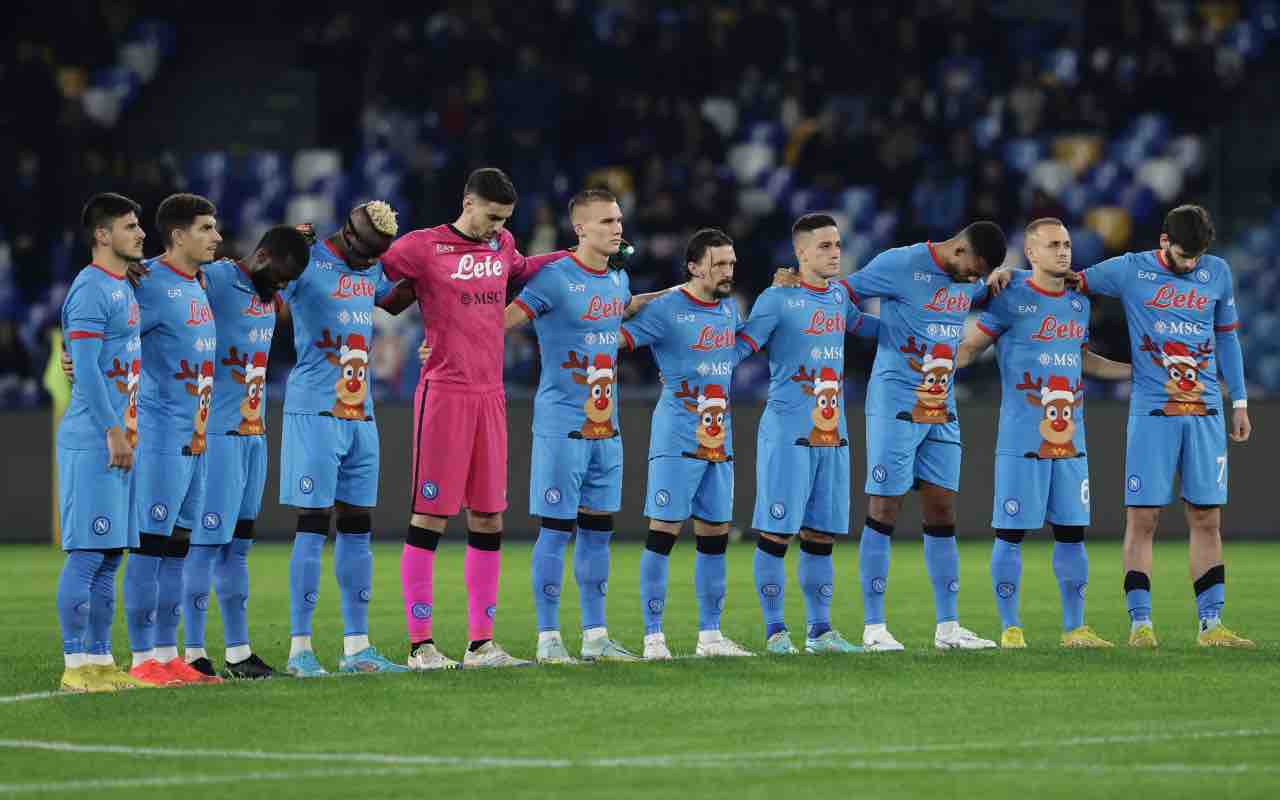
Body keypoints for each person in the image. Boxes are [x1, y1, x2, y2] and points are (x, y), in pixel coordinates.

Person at [380, 168, 568, 670]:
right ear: (468, 202)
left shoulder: (503, 245)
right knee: (431, 515)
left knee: (488, 516)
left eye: (504, 220)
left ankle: (480, 643)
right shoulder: (422, 247)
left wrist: (576, 256)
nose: (496, 228)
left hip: (491, 396)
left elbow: (525, 267)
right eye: (491, 217)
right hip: (444, 394)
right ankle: (420, 645)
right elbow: (374, 279)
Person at [1072, 205, 1253, 647]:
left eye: (1197, 256)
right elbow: (1071, 280)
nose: (1191, 264)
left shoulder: (1218, 272)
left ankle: (1211, 626)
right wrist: (1012, 278)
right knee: (1144, 517)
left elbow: (1227, 336)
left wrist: (1241, 402)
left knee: (1207, 517)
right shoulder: (1129, 270)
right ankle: (1141, 624)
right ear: (1163, 241)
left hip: (1206, 412)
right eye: (1183, 255)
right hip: (1153, 412)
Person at [505, 188, 667, 664]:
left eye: (618, 219)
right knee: (556, 531)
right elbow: (501, 322)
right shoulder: (554, 280)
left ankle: (596, 636)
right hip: (561, 427)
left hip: (607, 429)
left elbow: (626, 308)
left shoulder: (617, 281)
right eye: (606, 222)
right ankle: (548, 638)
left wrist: (675, 294)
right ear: (580, 229)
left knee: (598, 533)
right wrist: (448, 346)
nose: (618, 228)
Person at [956, 218, 1130, 648]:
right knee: (1011, 534)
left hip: (1072, 442)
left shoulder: (1077, 302)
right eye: (1053, 245)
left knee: (1072, 532)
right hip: (1021, 441)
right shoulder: (1008, 296)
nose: (1064, 251)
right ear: (1031, 253)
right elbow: (969, 347)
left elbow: (1085, 360)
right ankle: (1011, 627)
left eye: (1067, 244)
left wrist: (1138, 371)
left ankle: (1076, 628)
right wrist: (929, 366)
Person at [849, 220, 1008, 651]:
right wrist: (878, 331)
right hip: (895, 402)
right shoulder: (899, 263)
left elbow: (979, 291)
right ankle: (874, 627)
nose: (973, 281)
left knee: (941, 508)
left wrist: (998, 279)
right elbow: (843, 295)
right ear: (959, 250)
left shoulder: (968, 278)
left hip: (942, 405)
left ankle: (948, 628)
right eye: (973, 270)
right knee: (885, 505)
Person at [281, 201, 417, 676]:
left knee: (358, 524)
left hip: (361, 413)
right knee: (313, 522)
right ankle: (300, 649)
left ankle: (357, 648)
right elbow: (265, 293)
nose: (369, 264)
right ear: (349, 235)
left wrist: (431, 274)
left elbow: (392, 299)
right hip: (315, 409)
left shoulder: (372, 266)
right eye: (366, 254)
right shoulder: (306, 257)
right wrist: (280, 245)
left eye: (378, 256)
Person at [735, 213, 879, 655]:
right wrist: (694, 368)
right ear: (801, 253)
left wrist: (924, 333)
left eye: (837, 244)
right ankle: (777, 632)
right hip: (787, 430)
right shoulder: (777, 299)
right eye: (824, 246)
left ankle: (821, 632)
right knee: (778, 533)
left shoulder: (836, 297)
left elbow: (863, 327)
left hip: (832, 432)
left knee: (821, 535)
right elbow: (741, 347)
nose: (835, 252)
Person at [180, 225, 311, 678]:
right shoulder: (216, 279)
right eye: (279, 276)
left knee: (237, 549)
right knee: (205, 545)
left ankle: (239, 653)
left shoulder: (267, 293)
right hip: (217, 436)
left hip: (254, 435)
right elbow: (170, 281)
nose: (282, 288)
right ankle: (193, 653)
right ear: (261, 255)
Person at [620, 228, 755, 660]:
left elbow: (728, 359)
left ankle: (710, 637)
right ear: (694, 267)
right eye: (719, 263)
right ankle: (653, 637)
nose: (728, 270)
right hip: (677, 438)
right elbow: (619, 339)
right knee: (663, 534)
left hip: (719, 441)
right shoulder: (666, 310)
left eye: (731, 263)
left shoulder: (730, 311)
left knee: (714, 536)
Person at [122, 193, 225, 686]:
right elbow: (103, 327)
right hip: (161, 436)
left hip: (197, 438)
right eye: (206, 228)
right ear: (179, 235)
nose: (217, 237)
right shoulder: (147, 283)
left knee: (178, 550)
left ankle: (167, 653)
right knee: (149, 547)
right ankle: (142, 657)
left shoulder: (198, 283)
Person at [54, 193, 151, 692]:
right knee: (88, 554)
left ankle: (100, 660)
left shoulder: (123, 285)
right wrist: (113, 429)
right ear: (102, 235)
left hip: (120, 438)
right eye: (130, 226)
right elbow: (86, 370)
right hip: (94, 440)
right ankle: (75, 666)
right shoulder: (91, 289)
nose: (140, 233)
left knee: (111, 554)